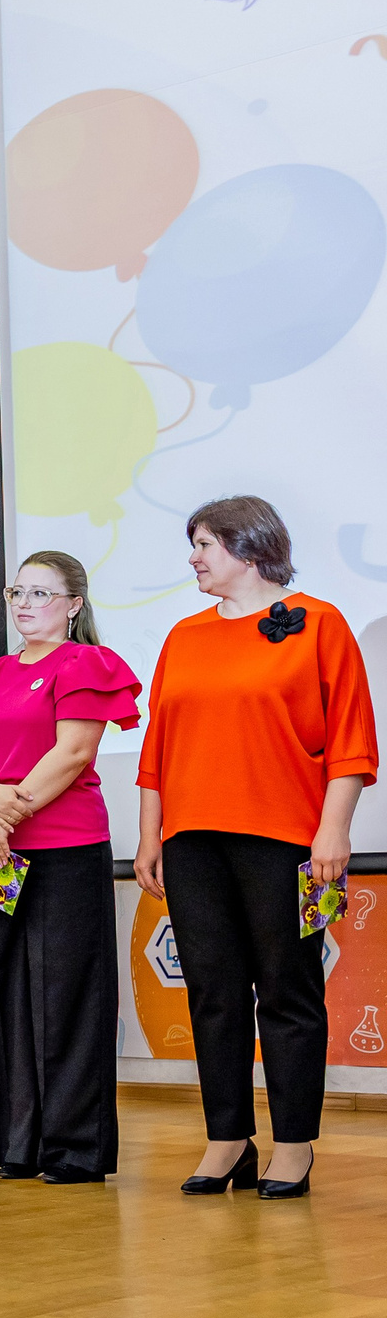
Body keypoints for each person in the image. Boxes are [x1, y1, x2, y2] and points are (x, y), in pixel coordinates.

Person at [136, 498, 377, 1199]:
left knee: (287, 989)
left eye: (205, 543)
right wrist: (151, 833)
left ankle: (293, 1144)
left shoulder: (321, 623)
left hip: (285, 838)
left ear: (249, 546)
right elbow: (157, 747)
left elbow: (351, 739)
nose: (194, 557)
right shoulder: (183, 635)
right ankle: (227, 1139)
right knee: (211, 991)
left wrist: (332, 829)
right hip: (191, 841)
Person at [0, 552, 141, 1184]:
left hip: (63, 846)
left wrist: (5, 814)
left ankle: (74, 1148)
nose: (25, 604)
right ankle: (18, 1144)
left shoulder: (83, 663)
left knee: (68, 997)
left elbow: (75, 750)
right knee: (6, 993)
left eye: (41, 592)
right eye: (17, 591)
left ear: (73, 604)